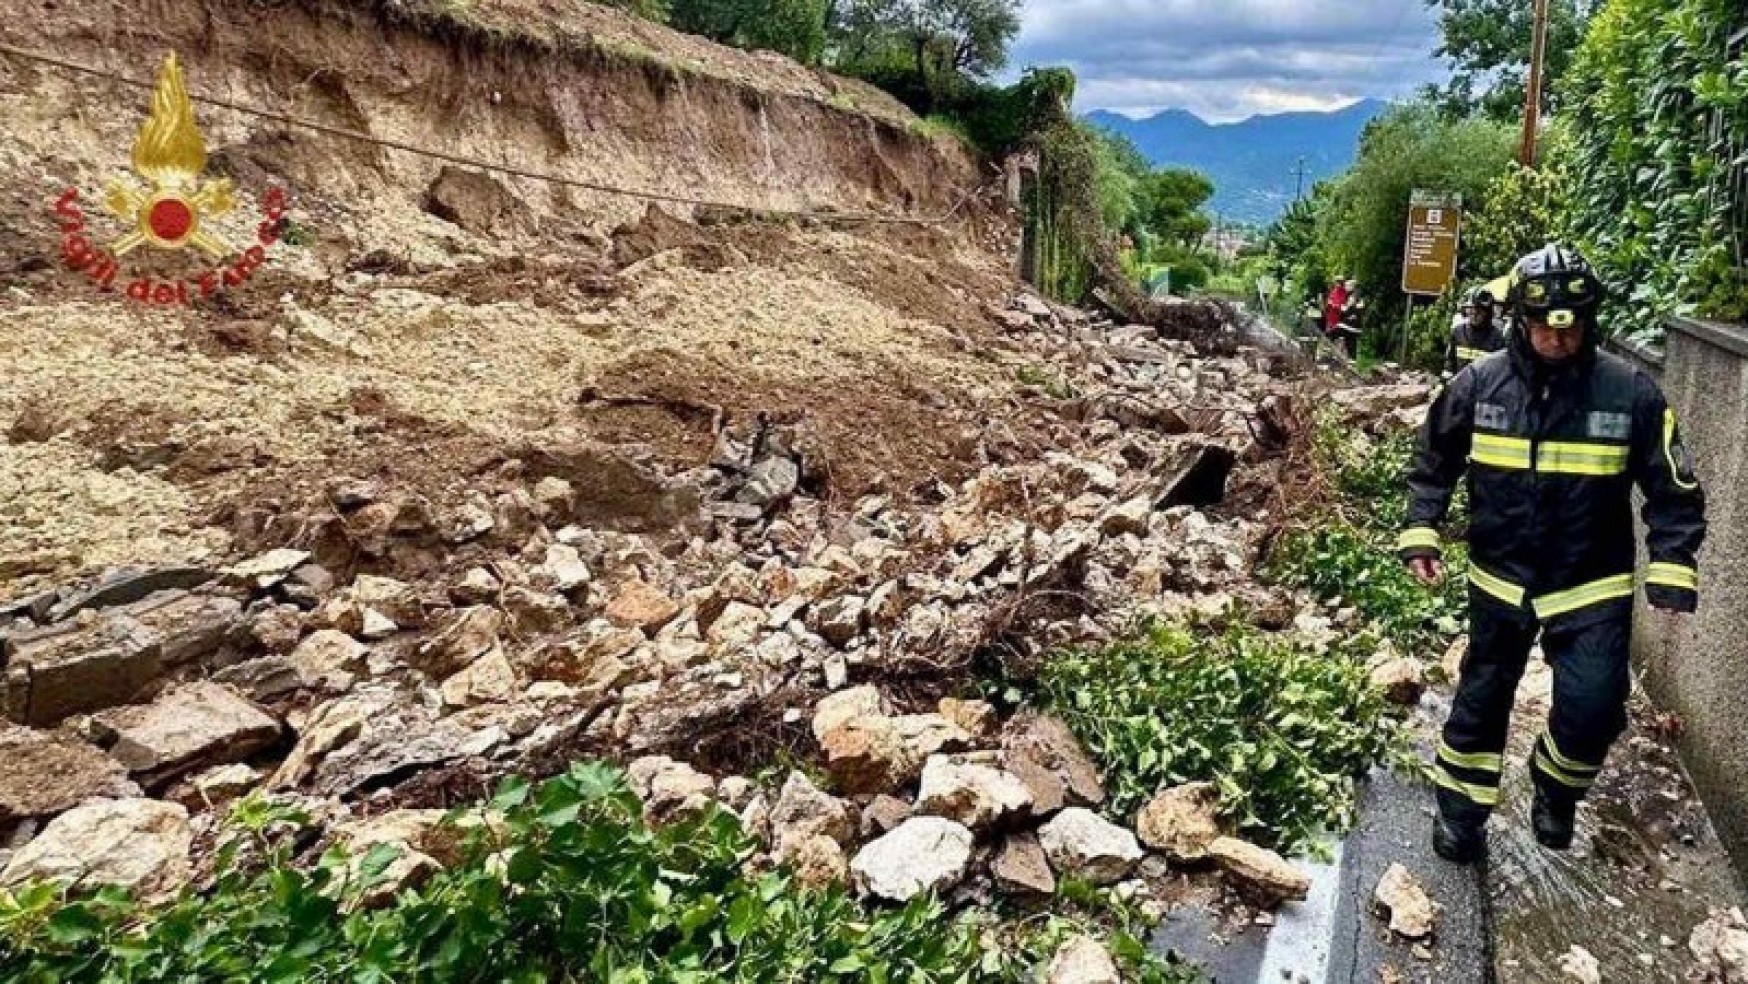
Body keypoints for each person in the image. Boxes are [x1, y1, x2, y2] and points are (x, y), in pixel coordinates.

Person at [1397, 244, 1707, 864]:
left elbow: (1673, 487)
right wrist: (1421, 531)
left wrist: (1673, 571)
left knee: (1594, 709)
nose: (1556, 341)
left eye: (1569, 327)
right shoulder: (1478, 386)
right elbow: (1433, 461)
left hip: (1591, 582)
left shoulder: (1630, 394)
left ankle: (1556, 788)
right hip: (1499, 576)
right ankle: (1461, 813)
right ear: (1521, 319)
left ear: (1588, 321)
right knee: (1482, 696)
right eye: (1542, 326)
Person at [1446, 287, 1507, 374]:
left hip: (1484, 386)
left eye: (1478, 311)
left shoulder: (1497, 338)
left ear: (1488, 312)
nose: (1474, 315)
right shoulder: (1458, 332)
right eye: (1470, 310)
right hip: (1461, 384)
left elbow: (1499, 371)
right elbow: (1449, 363)